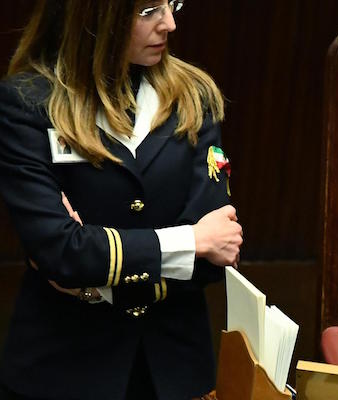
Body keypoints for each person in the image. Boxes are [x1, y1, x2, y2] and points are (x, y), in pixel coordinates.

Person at [0, 1, 242, 399]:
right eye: (148, 10)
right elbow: (59, 251)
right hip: (63, 368)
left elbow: (217, 256)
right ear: (93, 16)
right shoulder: (28, 103)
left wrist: (89, 282)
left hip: (174, 370)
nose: (170, 23)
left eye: (172, 3)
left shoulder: (192, 97)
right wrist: (190, 241)